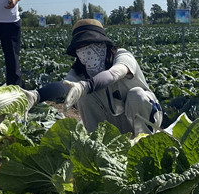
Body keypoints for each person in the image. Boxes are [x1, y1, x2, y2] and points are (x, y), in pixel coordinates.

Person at [25, 19, 163, 136]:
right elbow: (63, 86)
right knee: (82, 95)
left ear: (103, 44)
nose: (87, 52)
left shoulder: (122, 56)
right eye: (81, 48)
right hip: (112, 125)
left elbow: (114, 73)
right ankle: (101, 143)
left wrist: (86, 86)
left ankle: (145, 141)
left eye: (91, 44)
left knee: (137, 95)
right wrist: (37, 95)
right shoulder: (79, 72)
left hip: (143, 119)